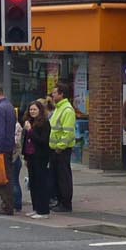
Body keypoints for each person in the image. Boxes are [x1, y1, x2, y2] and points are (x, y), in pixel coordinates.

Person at [0, 85, 19, 216]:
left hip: (2, 148)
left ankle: (6, 205)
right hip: (9, 146)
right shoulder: (10, 106)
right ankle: (8, 205)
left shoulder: (0, 109)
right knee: (8, 177)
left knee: (2, 178)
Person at [21, 100, 54, 218]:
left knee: (41, 184)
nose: (32, 112)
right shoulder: (29, 122)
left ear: (40, 110)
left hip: (40, 157)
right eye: (30, 109)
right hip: (30, 157)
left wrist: (30, 130)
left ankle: (43, 211)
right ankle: (36, 208)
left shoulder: (44, 123)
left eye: (34, 109)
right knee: (33, 184)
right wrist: (25, 156)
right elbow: (25, 141)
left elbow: (42, 141)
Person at [49, 84, 77, 212]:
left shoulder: (67, 110)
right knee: (57, 177)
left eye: (55, 92)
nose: (52, 95)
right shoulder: (58, 108)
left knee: (63, 177)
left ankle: (66, 203)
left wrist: (60, 147)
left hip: (62, 150)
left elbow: (68, 132)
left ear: (61, 94)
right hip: (55, 149)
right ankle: (60, 201)